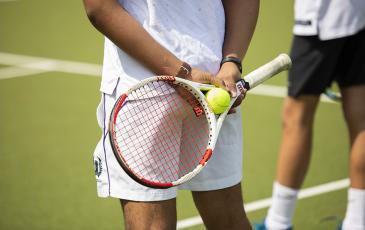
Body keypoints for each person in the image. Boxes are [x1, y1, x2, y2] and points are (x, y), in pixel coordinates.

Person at [83, 0, 259, 229]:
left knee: (226, 220)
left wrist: (231, 63)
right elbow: (100, 7)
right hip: (160, 88)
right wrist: (184, 71)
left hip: (207, 86)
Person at [255, 0, 365, 229]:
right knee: (361, 117)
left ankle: (278, 222)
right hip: (358, 14)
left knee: (296, 116)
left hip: (323, 16)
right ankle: (357, 222)